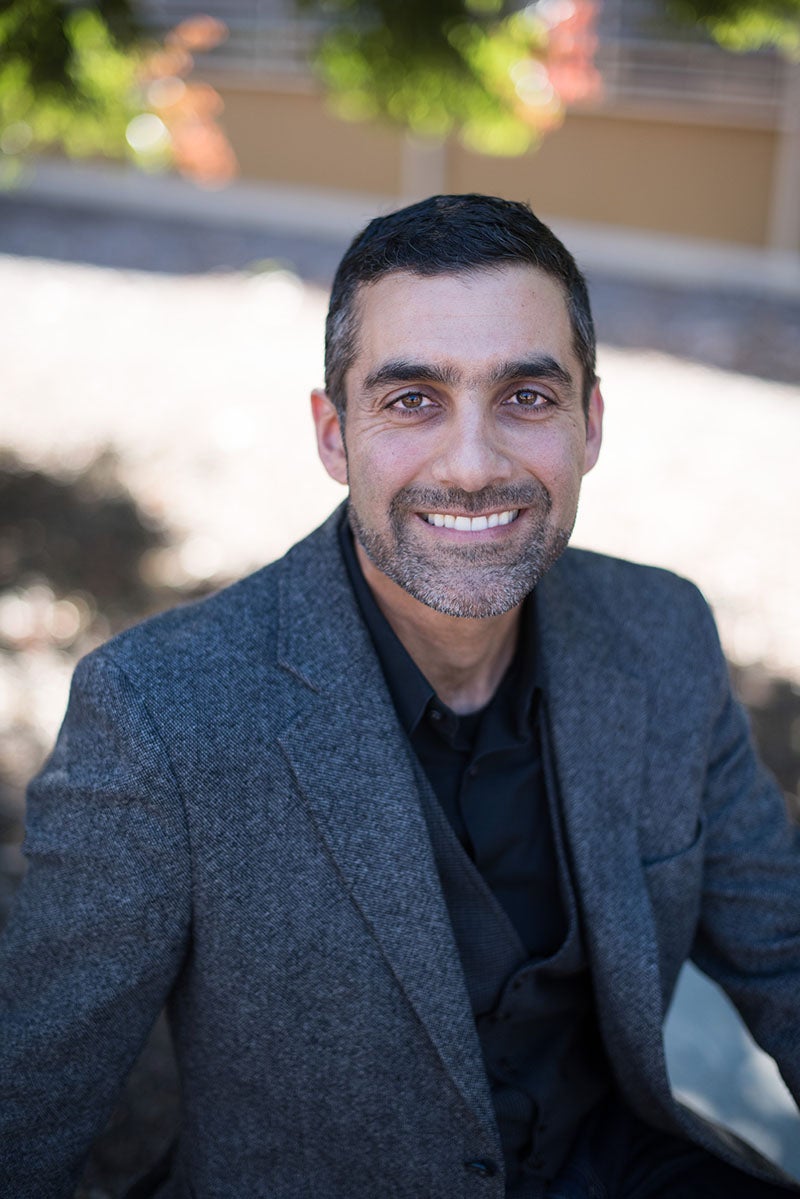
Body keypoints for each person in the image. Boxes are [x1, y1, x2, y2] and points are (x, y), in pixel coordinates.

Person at [1, 194, 798, 1199]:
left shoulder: (661, 633)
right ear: (334, 435)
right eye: (411, 398)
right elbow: (25, 1103)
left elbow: (784, 951)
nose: (470, 464)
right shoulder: (157, 713)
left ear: (588, 422)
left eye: (526, 396)